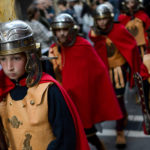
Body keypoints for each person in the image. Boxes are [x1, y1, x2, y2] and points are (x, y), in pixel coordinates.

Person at [0, 20, 90, 150]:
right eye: (3, 59)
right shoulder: (2, 92)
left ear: (30, 57)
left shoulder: (49, 90)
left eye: (16, 58)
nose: (9, 67)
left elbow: (65, 139)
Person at [49, 13, 123, 150]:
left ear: (71, 30)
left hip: (82, 97)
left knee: (86, 129)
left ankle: (102, 145)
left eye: (64, 29)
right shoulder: (54, 49)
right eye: (58, 30)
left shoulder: (83, 46)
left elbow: (98, 72)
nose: (61, 34)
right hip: (64, 98)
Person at [89, 4, 141, 148]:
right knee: (111, 100)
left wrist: (133, 67)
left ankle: (119, 131)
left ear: (110, 18)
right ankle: (122, 117)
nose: (102, 23)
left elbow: (131, 46)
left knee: (118, 99)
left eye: (105, 19)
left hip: (118, 71)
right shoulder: (94, 35)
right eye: (99, 20)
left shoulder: (119, 30)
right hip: (103, 73)